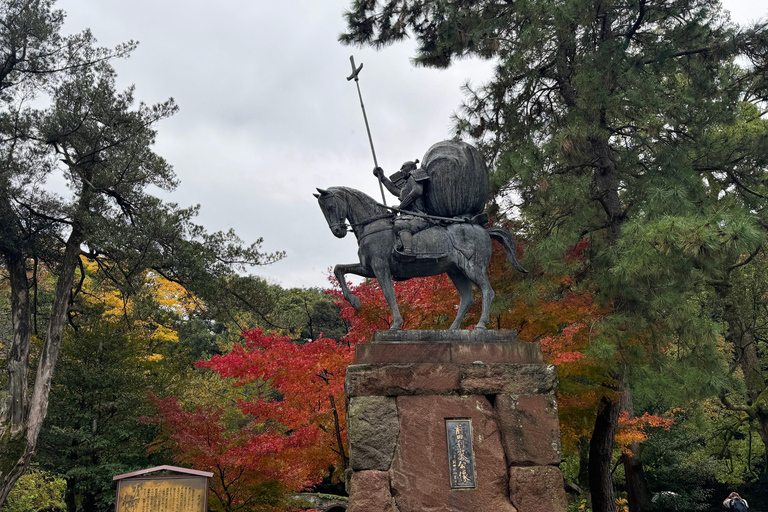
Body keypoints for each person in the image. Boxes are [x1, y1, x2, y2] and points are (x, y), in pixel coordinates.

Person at [373, 160, 431, 257]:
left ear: (412, 168)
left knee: (400, 225)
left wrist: (400, 207)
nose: (401, 170)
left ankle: (407, 252)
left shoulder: (415, 176)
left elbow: (417, 191)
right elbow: (394, 190)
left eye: (403, 167)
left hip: (417, 216)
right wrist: (382, 178)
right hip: (408, 217)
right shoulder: (407, 185)